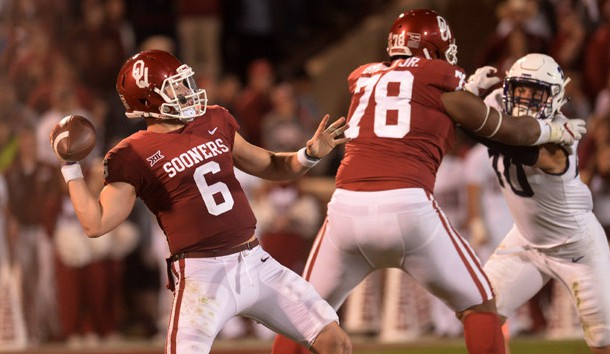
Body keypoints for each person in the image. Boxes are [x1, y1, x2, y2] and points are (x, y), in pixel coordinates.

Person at [271, 9, 586, 354]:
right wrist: (554, 129)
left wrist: (464, 90)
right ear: (434, 49)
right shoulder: (440, 78)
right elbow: (506, 129)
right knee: (479, 305)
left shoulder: (365, 78)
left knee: (302, 314)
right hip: (407, 206)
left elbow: (408, 98)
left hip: (346, 208)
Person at [49, 49, 352, 354]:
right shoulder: (132, 153)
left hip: (255, 261)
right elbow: (96, 223)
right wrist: (70, 168)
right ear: (147, 100)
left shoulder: (215, 118)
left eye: (185, 82)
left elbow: (270, 165)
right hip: (201, 275)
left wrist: (309, 154)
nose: (187, 91)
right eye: (175, 86)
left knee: (334, 342)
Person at [479, 53, 610, 354]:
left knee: (602, 343)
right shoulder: (498, 102)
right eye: (521, 89)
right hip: (526, 240)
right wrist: (470, 92)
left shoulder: (564, 135)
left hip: (576, 247)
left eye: (535, 93)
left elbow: (512, 141)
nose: (524, 99)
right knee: (479, 315)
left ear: (555, 98)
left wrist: (476, 119)